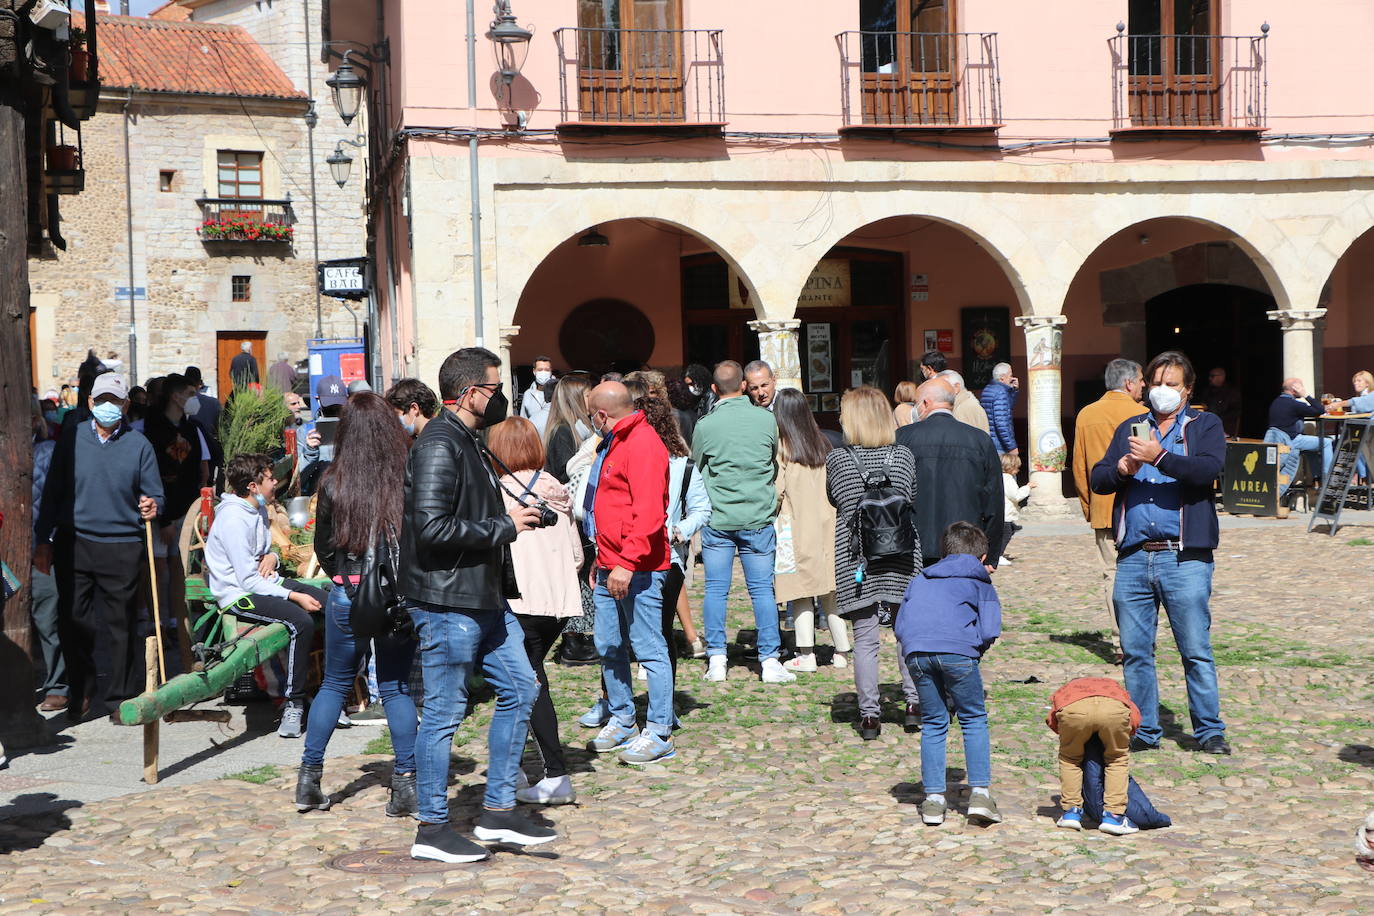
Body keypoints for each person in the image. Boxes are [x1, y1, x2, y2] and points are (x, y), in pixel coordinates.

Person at [399, 346, 553, 864]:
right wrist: (504, 526)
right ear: (469, 392)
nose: (499, 396)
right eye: (493, 387)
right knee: (444, 711)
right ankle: (432, 829)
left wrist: (511, 512)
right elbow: (431, 528)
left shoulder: (467, 439)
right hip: (447, 602)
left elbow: (461, 509)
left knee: (521, 686)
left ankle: (499, 810)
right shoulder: (440, 443)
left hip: (483, 596)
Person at [1091, 350, 1230, 756]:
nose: (1162, 391)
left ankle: (1208, 730)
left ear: (1187, 389)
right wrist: (1121, 469)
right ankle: (1145, 729)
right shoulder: (1130, 427)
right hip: (1134, 555)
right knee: (1135, 652)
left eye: (1172, 384)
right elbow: (1099, 478)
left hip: (1184, 556)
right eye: (1156, 383)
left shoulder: (1205, 425)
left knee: (1195, 650)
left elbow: (1207, 471)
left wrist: (1161, 458)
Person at [297, 393, 418, 815]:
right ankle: (404, 786)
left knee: (334, 683)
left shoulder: (333, 479)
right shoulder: (404, 475)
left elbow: (324, 547)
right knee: (396, 686)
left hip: (347, 592)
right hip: (393, 595)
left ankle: (309, 778)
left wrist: (344, 578)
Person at [34, 373, 164, 720]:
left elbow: (155, 493)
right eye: (102, 400)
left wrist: (153, 504)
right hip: (74, 542)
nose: (108, 407)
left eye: (115, 401)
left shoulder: (139, 445)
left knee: (120, 624)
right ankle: (82, 690)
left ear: (125, 405)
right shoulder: (72, 438)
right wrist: (42, 539)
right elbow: (53, 491)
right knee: (73, 622)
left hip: (122, 545)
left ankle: (120, 698)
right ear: (90, 403)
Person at [485, 417, 584, 804]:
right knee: (524, 682)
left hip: (520, 602)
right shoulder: (555, 491)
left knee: (527, 686)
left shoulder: (499, 495)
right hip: (557, 605)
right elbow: (576, 556)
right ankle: (521, 771)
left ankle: (555, 774)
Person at [582, 382, 678, 765]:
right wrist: (601, 558)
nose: (590, 421)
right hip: (610, 563)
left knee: (649, 649)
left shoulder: (641, 444)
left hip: (637, 568)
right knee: (608, 645)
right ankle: (622, 719)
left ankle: (659, 730)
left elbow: (650, 514)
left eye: (591, 414)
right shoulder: (616, 441)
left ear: (602, 415)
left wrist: (626, 562)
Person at [205, 454, 326, 738]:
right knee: (301, 621)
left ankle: (329, 694)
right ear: (252, 486)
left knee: (329, 604)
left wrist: (272, 556)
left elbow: (264, 551)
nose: (275, 483)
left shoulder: (258, 509)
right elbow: (246, 579)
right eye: (270, 479)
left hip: (264, 581)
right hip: (240, 594)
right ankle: (292, 702)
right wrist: (293, 597)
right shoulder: (234, 519)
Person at [827, 386, 920, 739]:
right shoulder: (904, 456)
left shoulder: (838, 459)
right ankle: (912, 704)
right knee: (906, 632)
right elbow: (911, 495)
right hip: (901, 552)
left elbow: (836, 500)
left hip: (857, 555)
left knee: (865, 639)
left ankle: (869, 716)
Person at [691, 361, 793, 684]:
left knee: (716, 590)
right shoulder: (766, 420)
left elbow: (697, 465)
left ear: (713, 389)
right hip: (757, 516)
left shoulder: (706, 426)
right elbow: (773, 459)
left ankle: (717, 657)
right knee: (763, 589)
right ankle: (770, 658)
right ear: (744, 386)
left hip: (719, 516)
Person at [897, 521, 1002, 826]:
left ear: (944, 553)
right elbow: (989, 629)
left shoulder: (920, 579)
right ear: (981, 558)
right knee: (973, 718)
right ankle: (980, 794)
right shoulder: (980, 583)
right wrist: (973, 652)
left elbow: (901, 623)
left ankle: (933, 801)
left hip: (916, 655)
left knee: (933, 722)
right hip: (959, 653)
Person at [1071, 358, 1144, 662]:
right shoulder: (1142, 414)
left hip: (1104, 507)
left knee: (1111, 574)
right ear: (1129, 383)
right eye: (1141, 380)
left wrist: (1090, 508)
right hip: (1138, 507)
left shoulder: (1087, 414)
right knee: (1141, 574)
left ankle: (1119, 643)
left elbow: (1078, 467)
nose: (1143, 385)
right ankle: (1140, 639)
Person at [774, 389, 849, 673]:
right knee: (831, 592)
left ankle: (807, 654)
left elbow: (778, 491)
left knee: (800, 592)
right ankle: (841, 651)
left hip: (795, 529)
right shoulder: (824, 443)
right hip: (827, 528)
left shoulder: (783, 447)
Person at [896, 378, 1004, 568]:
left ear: (926, 403)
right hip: (964, 544)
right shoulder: (979, 439)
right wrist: (991, 553)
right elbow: (994, 500)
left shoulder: (903, 437)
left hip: (914, 544)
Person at [142, 373, 211, 642]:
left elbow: (197, 470)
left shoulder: (191, 428)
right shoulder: (152, 428)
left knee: (178, 568)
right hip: (161, 512)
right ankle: (156, 622)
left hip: (184, 508)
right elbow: (152, 473)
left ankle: (177, 621)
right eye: (190, 393)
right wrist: (165, 518)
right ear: (176, 396)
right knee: (157, 569)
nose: (194, 399)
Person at [1046, 676, 1142, 835]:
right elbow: (1135, 719)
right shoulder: (1116, 688)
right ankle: (1114, 815)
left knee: (1070, 759)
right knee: (1117, 759)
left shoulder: (1068, 690)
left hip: (1074, 708)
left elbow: (1052, 719)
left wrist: (1071, 738)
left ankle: (1071, 812)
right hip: (1113, 709)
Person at [30, 399, 65, 712]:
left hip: (40, 547)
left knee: (47, 617)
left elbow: (58, 501)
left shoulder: (47, 453)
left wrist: (48, 541)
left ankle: (57, 684)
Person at [1266, 377, 1331, 481]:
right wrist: (1305, 395)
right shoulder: (1295, 405)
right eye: (1301, 386)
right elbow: (1320, 409)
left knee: (1310, 446)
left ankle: (1316, 479)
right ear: (1294, 389)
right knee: (1327, 442)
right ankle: (1328, 480)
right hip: (1291, 441)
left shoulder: (1276, 402)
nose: (1303, 388)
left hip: (1279, 440)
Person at [299, 374, 348, 494]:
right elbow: (299, 479)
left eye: (338, 407)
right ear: (318, 400)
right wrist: (310, 451)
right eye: (330, 406)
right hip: (318, 497)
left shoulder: (354, 427)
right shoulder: (306, 431)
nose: (334, 411)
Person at [542, 374, 594, 484]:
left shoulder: (570, 427)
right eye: (588, 396)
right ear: (574, 399)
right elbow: (565, 473)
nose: (592, 400)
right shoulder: (562, 431)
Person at [1000, 453, 1033, 563]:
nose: (1018, 470)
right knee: (1006, 534)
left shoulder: (999, 477)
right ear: (1010, 467)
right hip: (1006, 513)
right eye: (1016, 468)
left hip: (1003, 512)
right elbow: (1016, 496)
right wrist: (1027, 487)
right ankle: (998, 555)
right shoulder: (1008, 479)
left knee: (1008, 530)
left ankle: (1013, 527)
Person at [980, 362, 1019, 456]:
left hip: (989, 441)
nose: (1012, 379)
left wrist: (1014, 390)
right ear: (1002, 378)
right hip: (999, 445)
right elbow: (1002, 422)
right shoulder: (1001, 393)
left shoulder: (988, 389)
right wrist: (1012, 447)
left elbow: (1007, 407)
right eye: (1010, 375)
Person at [938, 369, 991, 434]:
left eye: (942, 388)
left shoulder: (964, 408)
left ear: (956, 387)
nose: (938, 392)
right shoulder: (961, 404)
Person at [519, 356, 556, 434]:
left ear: (551, 371)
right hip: (534, 440)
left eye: (547, 370)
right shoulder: (528, 394)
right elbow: (523, 420)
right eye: (540, 370)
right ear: (534, 371)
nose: (543, 372)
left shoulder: (559, 391)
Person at [1201, 367, 1242, 438]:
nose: (1210, 379)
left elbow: (1235, 412)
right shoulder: (1207, 392)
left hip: (1225, 429)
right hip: (1207, 428)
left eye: (1212, 376)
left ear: (1221, 377)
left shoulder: (1231, 393)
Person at [184, 365, 222, 435]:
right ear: (200, 383)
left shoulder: (178, 403)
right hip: (208, 442)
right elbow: (221, 429)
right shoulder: (214, 403)